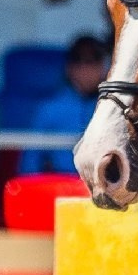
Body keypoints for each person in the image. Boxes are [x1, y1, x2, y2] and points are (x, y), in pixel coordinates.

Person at [19, 32, 106, 174]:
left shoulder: (112, 108)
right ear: (69, 68)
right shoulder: (49, 109)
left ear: (103, 68)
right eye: (79, 63)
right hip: (60, 182)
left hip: (103, 182)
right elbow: (29, 165)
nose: (86, 71)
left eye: (92, 63)